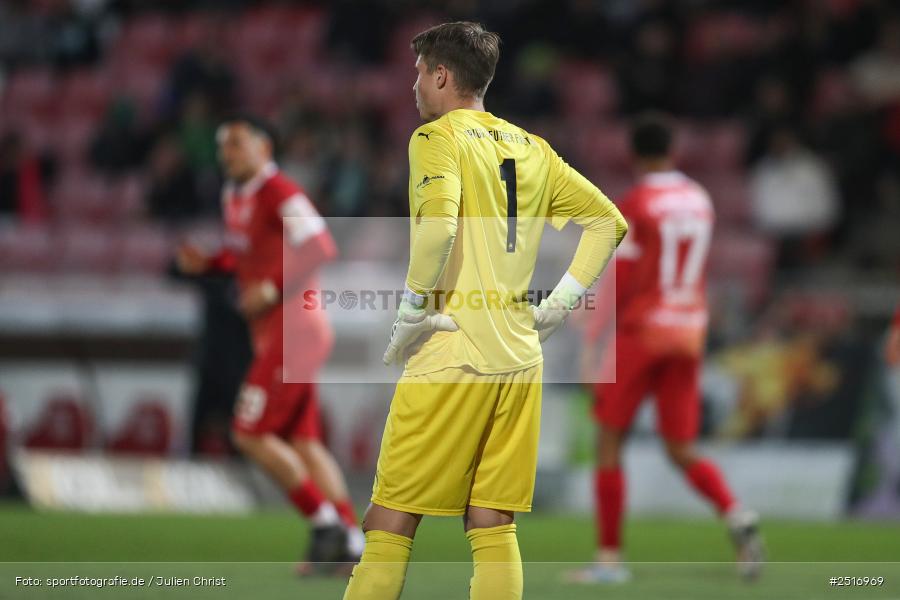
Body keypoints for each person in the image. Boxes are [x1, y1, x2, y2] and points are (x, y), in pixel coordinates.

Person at [342, 22, 626, 600]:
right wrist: (560, 305)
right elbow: (608, 222)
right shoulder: (532, 147)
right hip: (520, 358)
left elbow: (439, 229)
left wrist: (411, 310)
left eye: (419, 73)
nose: (413, 86)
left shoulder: (436, 138)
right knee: (493, 522)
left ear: (442, 75)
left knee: (389, 517)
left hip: (452, 350)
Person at [573, 113, 763, 584]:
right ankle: (736, 513)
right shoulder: (699, 198)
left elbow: (621, 277)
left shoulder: (637, 203)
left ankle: (609, 561)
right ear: (673, 152)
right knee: (681, 446)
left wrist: (595, 342)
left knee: (608, 440)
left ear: (633, 156)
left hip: (644, 331)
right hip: (689, 329)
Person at [176, 114, 362, 571]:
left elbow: (320, 245)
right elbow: (246, 255)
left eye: (237, 144)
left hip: (293, 330)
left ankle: (326, 527)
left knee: (249, 432)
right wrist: (211, 262)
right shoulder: (236, 195)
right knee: (304, 443)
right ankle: (353, 542)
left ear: (264, 148)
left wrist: (272, 289)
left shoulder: (280, 191)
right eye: (223, 145)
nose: (228, 154)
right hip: (279, 334)